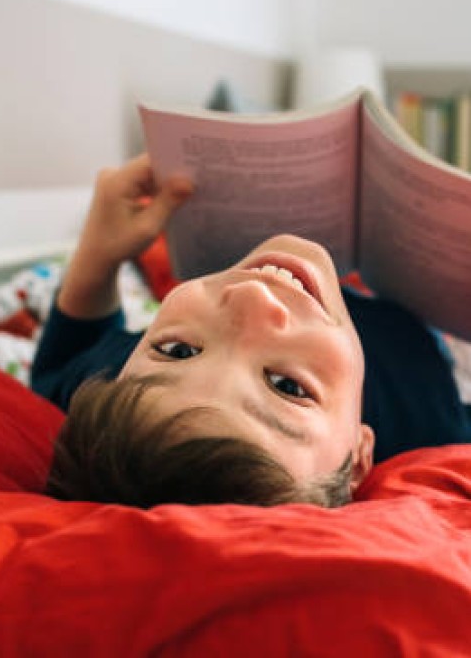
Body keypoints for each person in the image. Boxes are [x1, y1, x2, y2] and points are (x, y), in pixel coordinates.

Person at [31, 154, 471, 509]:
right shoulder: (432, 420)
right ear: (357, 457)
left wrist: (97, 252)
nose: (253, 299)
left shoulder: (123, 401)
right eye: (287, 386)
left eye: (178, 350)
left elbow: (61, 366)